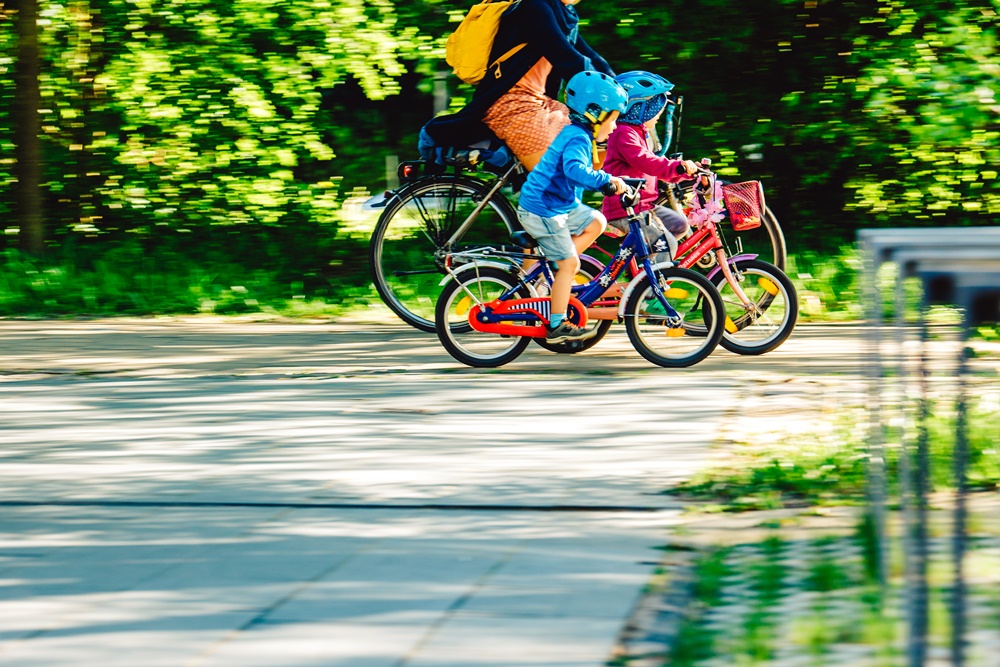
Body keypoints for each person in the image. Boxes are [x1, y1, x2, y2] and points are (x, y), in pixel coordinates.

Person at [421, 0, 614, 171]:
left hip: (539, 102)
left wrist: (621, 84)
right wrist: (611, 93)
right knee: (556, 183)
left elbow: (592, 57)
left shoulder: (564, 15)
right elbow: (568, 58)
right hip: (512, 103)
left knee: (594, 150)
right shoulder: (535, 7)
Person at [516, 71, 628, 343]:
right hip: (542, 209)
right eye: (612, 120)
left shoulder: (579, 135)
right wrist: (606, 182)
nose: (614, 128)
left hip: (559, 205)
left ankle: (556, 264)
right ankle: (556, 324)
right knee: (571, 264)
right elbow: (575, 170)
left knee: (596, 222)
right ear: (594, 114)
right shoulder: (577, 138)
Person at [601, 71, 700, 262]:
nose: (657, 119)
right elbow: (648, 163)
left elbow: (657, 170)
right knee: (667, 244)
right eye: (656, 113)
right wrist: (678, 166)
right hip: (625, 210)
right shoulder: (623, 133)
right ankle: (651, 288)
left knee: (679, 224)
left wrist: (686, 173)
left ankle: (645, 264)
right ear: (639, 109)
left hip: (642, 206)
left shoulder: (637, 132)